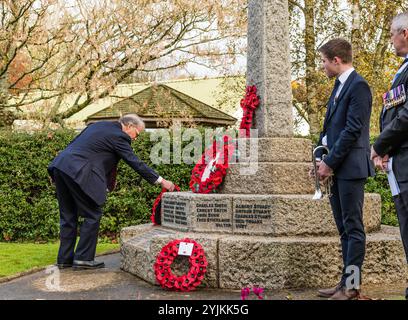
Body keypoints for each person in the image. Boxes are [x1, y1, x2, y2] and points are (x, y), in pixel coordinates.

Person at [48, 114, 175, 270]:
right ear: (129, 126)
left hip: (60, 166)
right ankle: (83, 259)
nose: (135, 139)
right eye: (137, 134)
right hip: (78, 170)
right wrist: (162, 181)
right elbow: (135, 162)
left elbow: (92, 153)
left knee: (68, 216)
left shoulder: (98, 125)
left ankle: (64, 259)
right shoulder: (119, 136)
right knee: (93, 213)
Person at [314, 38, 374, 300]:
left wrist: (329, 162)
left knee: (353, 227)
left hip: (350, 168)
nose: (323, 67)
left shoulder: (359, 86)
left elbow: (352, 131)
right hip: (337, 168)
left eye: (324, 62)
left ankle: (352, 287)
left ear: (336, 61)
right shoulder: (339, 86)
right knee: (343, 228)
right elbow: (330, 130)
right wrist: (317, 158)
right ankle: (344, 284)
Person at [370, 12, 408, 300]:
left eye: (392, 34)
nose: (391, 40)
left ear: (404, 33)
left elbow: (406, 117)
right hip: (399, 164)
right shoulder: (402, 70)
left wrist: (379, 145)